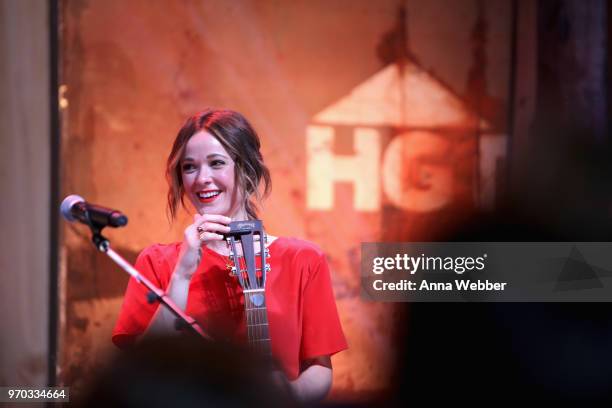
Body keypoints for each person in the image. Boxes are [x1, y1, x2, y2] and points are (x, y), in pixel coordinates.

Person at [112, 109, 347, 402]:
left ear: (248, 168)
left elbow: (319, 368)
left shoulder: (302, 259)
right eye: (189, 167)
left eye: (217, 163)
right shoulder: (157, 262)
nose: (202, 179)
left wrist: (284, 397)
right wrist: (182, 274)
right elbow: (140, 368)